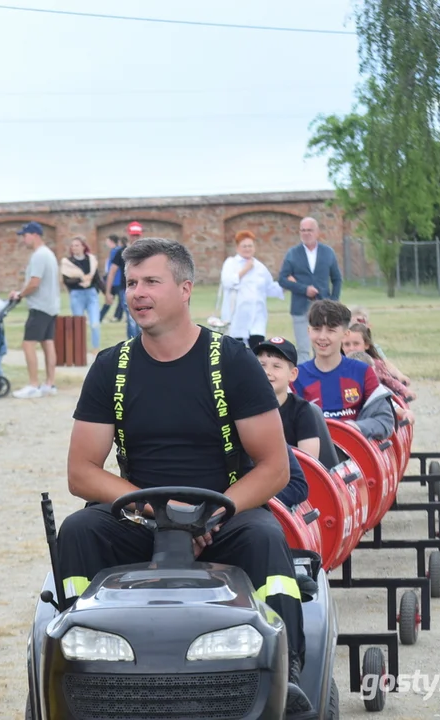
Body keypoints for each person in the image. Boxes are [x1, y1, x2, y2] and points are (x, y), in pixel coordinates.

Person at [59, 237, 317, 720]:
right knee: (79, 531)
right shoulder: (110, 367)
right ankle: (78, 660)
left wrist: (212, 514)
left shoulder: (233, 362)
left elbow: (274, 467)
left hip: (225, 514)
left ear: (185, 289)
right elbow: (82, 472)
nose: (137, 293)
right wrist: (156, 512)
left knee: (265, 538)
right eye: (132, 282)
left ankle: (291, 675)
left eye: (151, 282)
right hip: (138, 515)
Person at [292, 300, 395, 441]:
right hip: (313, 457)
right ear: (308, 331)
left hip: (355, 454)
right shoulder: (297, 376)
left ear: (345, 334)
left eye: (331, 330)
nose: (322, 337)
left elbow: (384, 420)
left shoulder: (363, 372)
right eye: (316, 329)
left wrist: (356, 428)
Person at [255, 336, 340, 470]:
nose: (267, 372)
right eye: (261, 365)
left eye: (276, 366)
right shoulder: (244, 409)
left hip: (291, 482)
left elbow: (308, 464)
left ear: (293, 374)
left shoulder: (302, 411)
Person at [278, 217, 342, 361]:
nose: (306, 233)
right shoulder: (293, 253)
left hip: (323, 309)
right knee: (303, 349)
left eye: (310, 230)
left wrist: (333, 302)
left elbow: (337, 279)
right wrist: (303, 289)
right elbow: (282, 279)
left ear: (317, 232)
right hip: (300, 307)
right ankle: (304, 382)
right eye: (303, 230)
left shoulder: (328, 252)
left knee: (322, 349)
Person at [10, 222, 60, 398]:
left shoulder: (39, 255)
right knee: (47, 342)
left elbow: (34, 282)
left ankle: (33, 385)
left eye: (25, 236)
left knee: (28, 343)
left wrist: (19, 295)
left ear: (35, 235)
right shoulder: (49, 254)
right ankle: (49, 384)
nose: (23, 240)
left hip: (39, 306)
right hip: (51, 305)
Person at [220, 230, 285, 348]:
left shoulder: (260, 267)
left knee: (257, 351)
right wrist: (245, 270)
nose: (247, 249)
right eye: (244, 246)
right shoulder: (231, 263)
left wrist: (287, 284)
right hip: (237, 319)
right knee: (237, 352)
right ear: (237, 248)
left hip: (257, 318)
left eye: (250, 246)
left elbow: (270, 287)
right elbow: (227, 282)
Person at [60, 236, 102, 352]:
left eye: (77, 245)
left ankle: (96, 348)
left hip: (91, 294)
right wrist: (81, 279)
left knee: (95, 323)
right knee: (78, 325)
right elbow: (66, 280)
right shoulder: (68, 263)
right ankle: (79, 350)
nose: (74, 248)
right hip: (77, 295)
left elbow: (97, 278)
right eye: (72, 246)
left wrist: (107, 293)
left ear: (83, 246)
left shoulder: (91, 260)